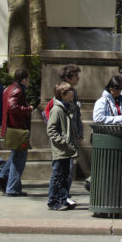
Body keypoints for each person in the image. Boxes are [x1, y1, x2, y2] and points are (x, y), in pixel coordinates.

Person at [0, 68, 33, 197]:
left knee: (15, 157)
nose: (29, 81)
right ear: (24, 79)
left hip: (11, 127)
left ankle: (2, 177)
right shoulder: (17, 90)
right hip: (17, 129)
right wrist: (28, 109)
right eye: (28, 78)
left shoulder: (8, 88)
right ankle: (12, 188)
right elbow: (13, 107)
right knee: (18, 160)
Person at [46, 81, 78, 210]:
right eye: (70, 91)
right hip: (60, 149)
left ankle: (63, 198)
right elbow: (51, 130)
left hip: (67, 149)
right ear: (63, 94)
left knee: (65, 176)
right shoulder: (57, 110)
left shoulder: (67, 108)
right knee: (57, 176)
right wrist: (63, 141)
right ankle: (53, 200)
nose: (73, 93)